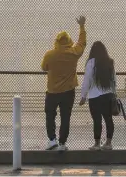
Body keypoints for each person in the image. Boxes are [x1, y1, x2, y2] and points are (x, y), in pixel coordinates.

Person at [41, 16, 87, 151]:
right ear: (68, 41)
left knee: (50, 115)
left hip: (52, 91)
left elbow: (44, 67)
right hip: (68, 91)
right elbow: (82, 43)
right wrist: (82, 26)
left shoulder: (49, 54)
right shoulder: (73, 53)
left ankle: (52, 140)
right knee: (65, 117)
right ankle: (62, 143)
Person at [79, 41, 115, 150]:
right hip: (108, 95)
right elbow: (114, 79)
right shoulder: (110, 62)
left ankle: (97, 144)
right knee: (108, 119)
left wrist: (83, 96)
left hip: (95, 96)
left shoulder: (91, 63)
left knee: (97, 120)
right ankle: (108, 143)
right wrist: (114, 93)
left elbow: (87, 81)